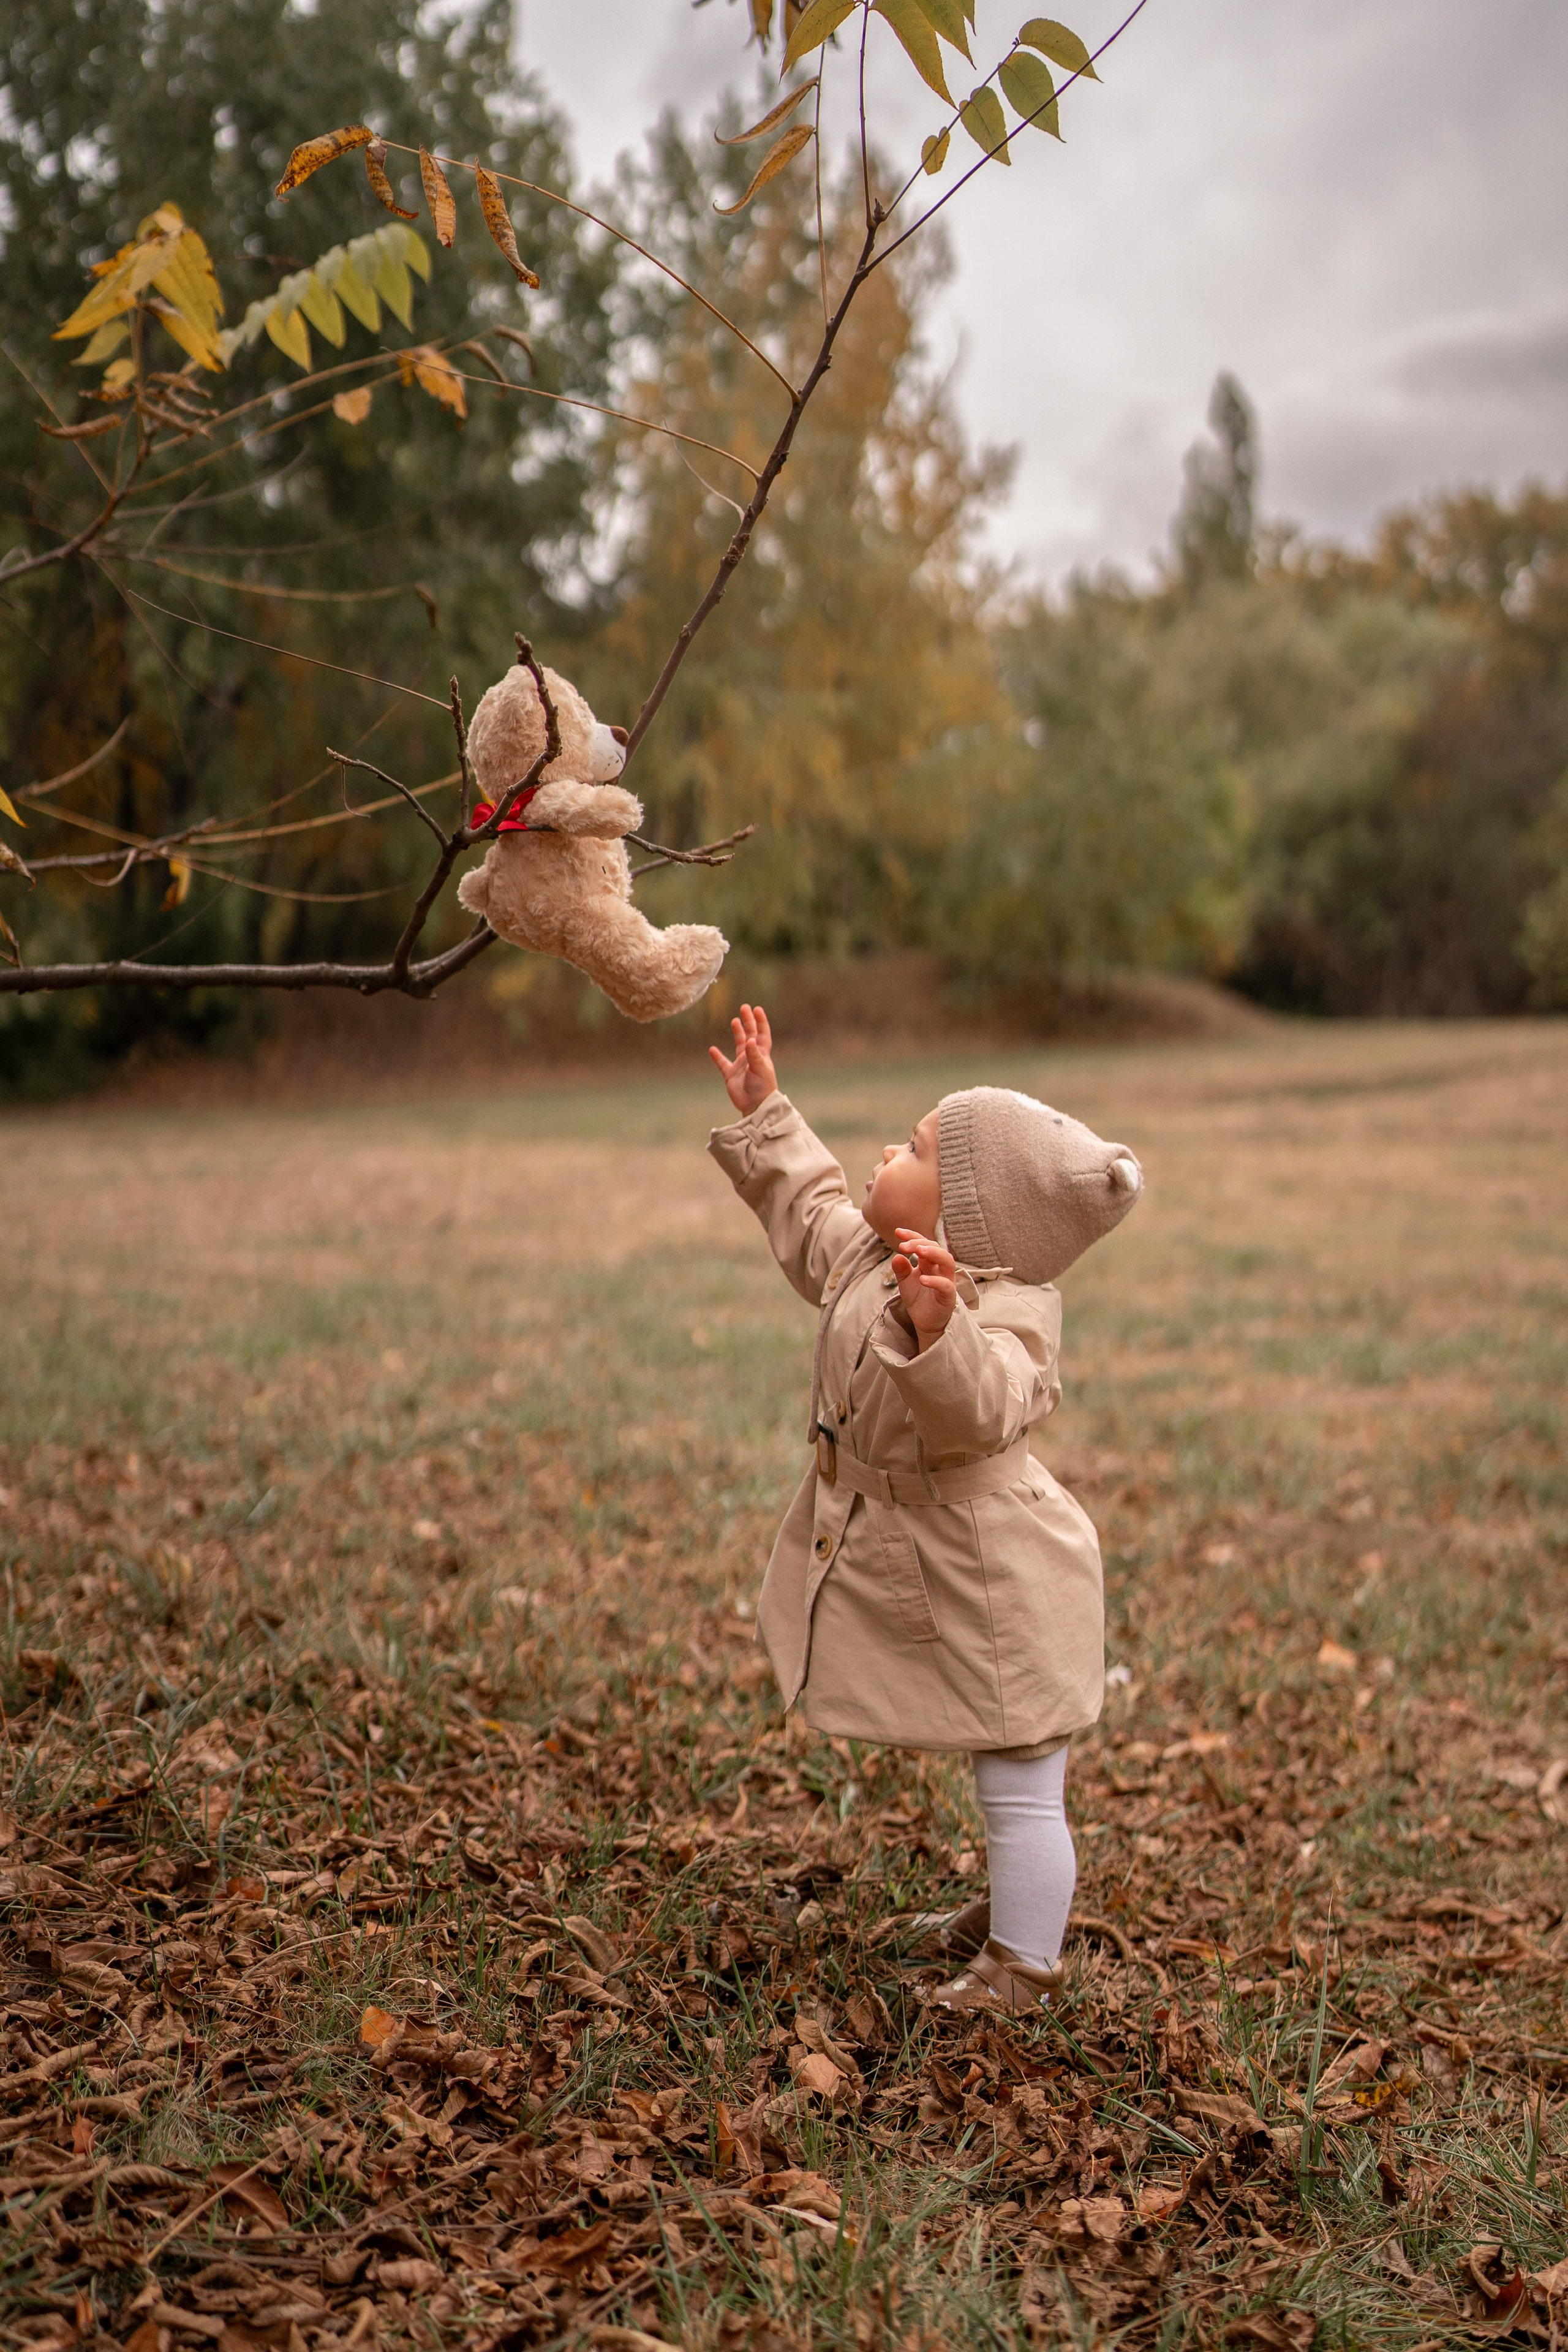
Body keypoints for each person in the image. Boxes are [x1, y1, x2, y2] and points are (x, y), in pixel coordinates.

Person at [707, 1003, 1143, 2015]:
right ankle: (1003, 1915)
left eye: (914, 1146)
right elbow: (811, 1208)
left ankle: (1023, 1967)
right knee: (995, 1764)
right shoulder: (869, 1255)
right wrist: (769, 1113)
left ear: (961, 1224)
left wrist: (941, 1331)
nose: (886, 1148)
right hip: (933, 1560)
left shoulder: (1011, 1311)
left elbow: (987, 1405)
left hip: (1004, 1581)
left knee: (1023, 1781)